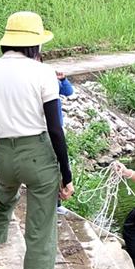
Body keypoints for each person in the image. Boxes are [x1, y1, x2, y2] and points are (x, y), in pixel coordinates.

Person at [0, 11, 74, 269]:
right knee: (40, 232)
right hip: (38, 156)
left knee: (3, 201)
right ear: (35, 46)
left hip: (4, 154)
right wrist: (66, 174)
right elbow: (55, 129)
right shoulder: (42, 73)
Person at [55, 70, 73, 216]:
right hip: (46, 130)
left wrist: (63, 79)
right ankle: (55, 203)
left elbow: (68, 91)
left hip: (57, 128)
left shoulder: (50, 79)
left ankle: (57, 203)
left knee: (58, 165)